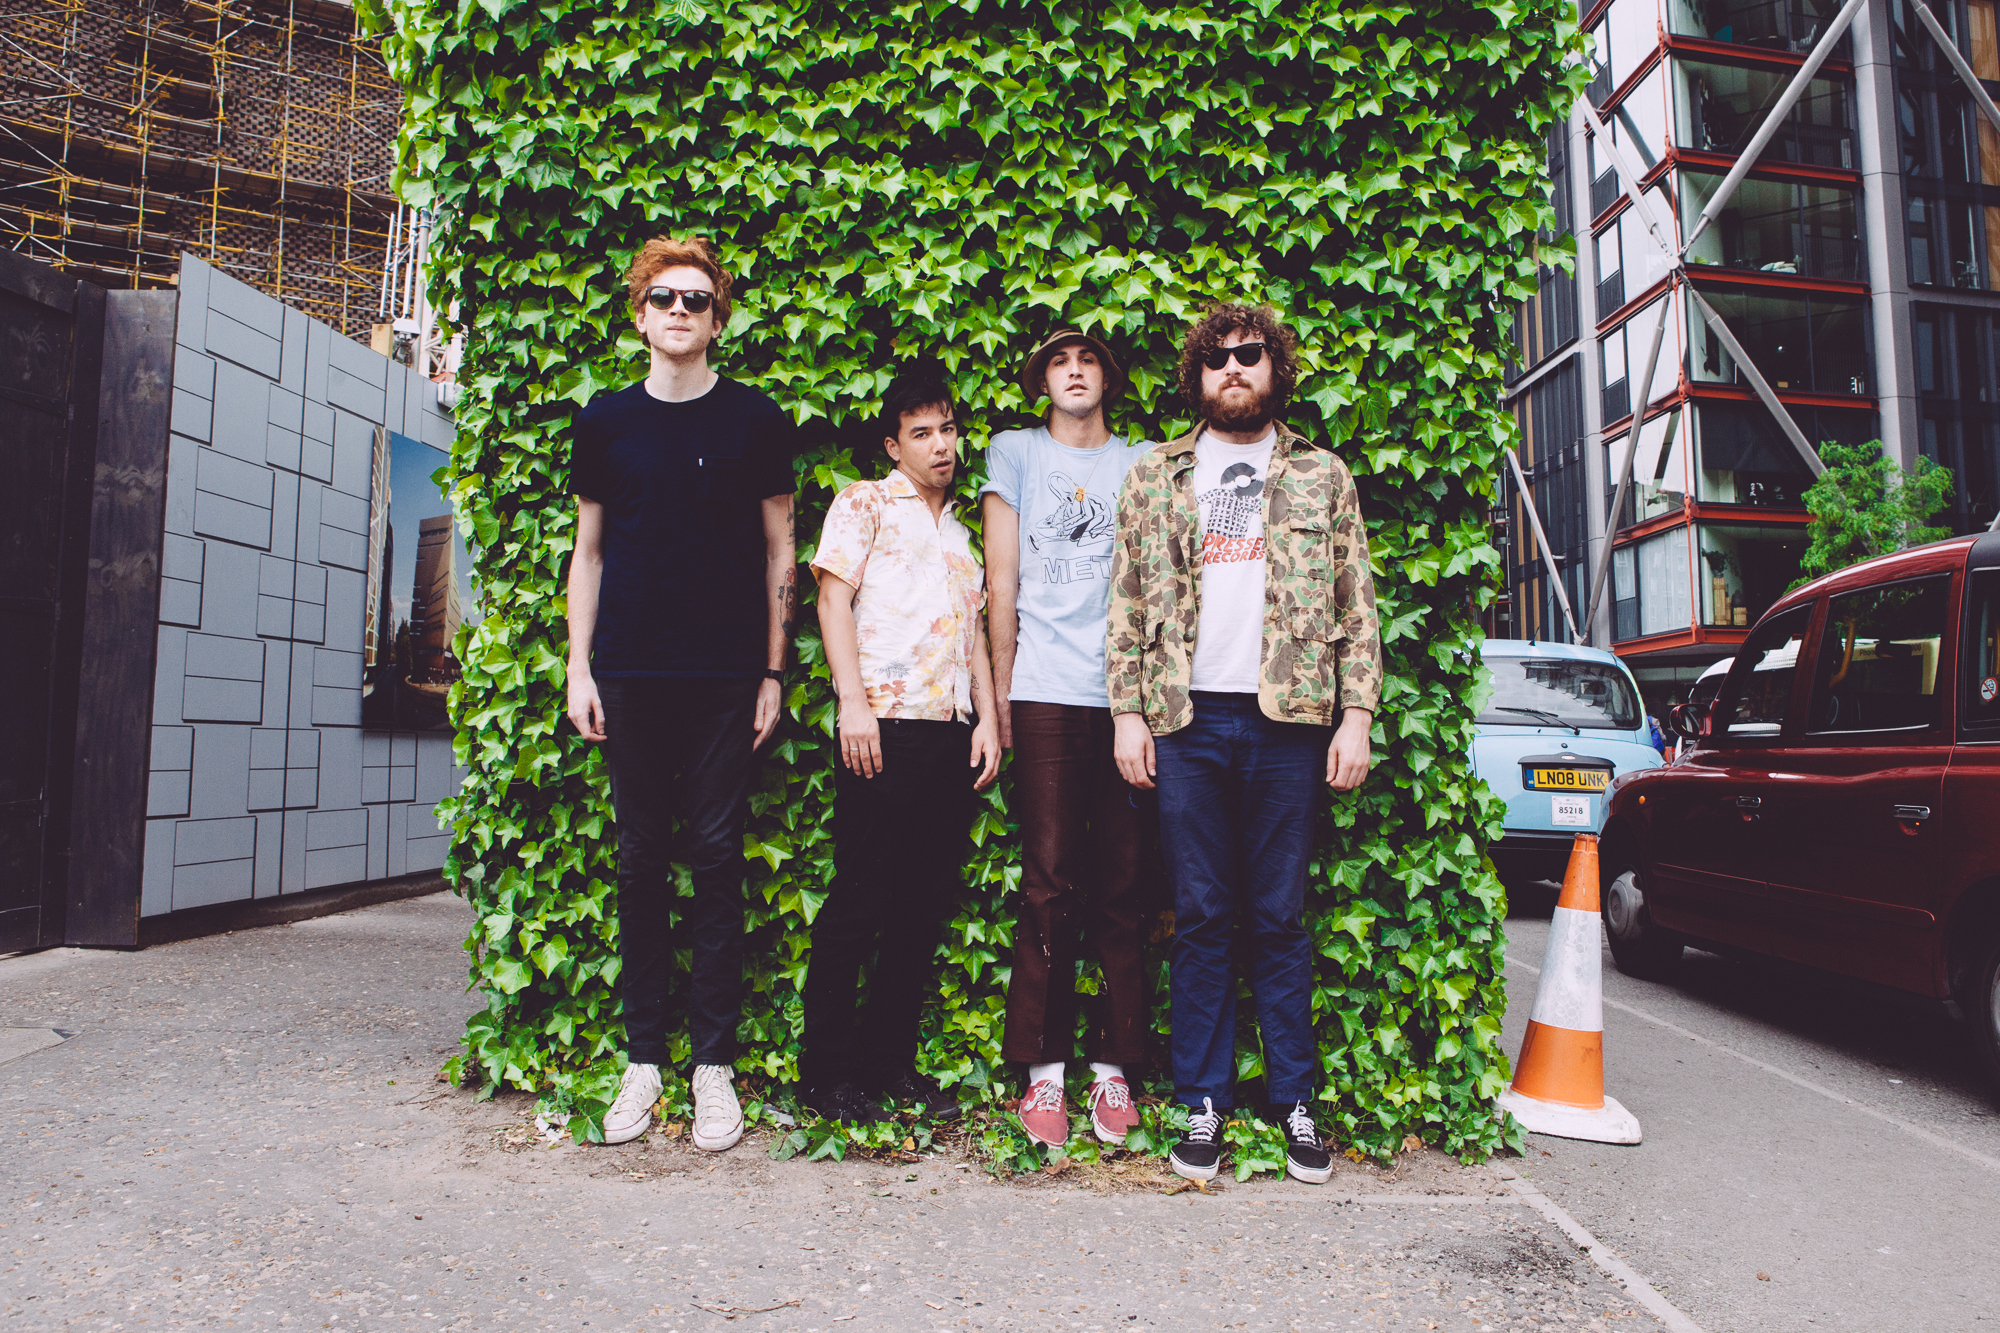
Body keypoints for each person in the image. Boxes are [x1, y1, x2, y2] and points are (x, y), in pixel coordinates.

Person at [1106, 304, 1383, 1185]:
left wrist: (1356, 715)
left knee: (1278, 917)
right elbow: (1127, 599)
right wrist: (1127, 713)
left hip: (1288, 720)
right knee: (1201, 917)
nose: (1234, 367)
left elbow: (1357, 603)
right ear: (1197, 375)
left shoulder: (1322, 473)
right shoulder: (1155, 473)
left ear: (1275, 369)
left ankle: (1294, 1101)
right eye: (1217, 357)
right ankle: (1203, 1101)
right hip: (1185, 720)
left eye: (1250, 353)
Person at [565, 236, 797, 1151]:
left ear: (716, 319)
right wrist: (579, 666)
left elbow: (781, 551)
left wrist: (773, 671)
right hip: (629, 671)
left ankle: (713, 1065)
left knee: (716, 859)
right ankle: (643, 1059)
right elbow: (588, 554)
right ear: (639, 314)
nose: (678, 311)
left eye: (696, 299)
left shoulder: (755, 420)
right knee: (638, 860)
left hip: (726, 676)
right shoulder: (605, 422)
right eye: (663, 297)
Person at [802, 368, 1003, 1124]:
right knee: (859, 901)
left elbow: (975, 633)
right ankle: (825, 1076)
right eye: (921, 433)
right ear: (894, 445)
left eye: (947, 429)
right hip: (881, 729)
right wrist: (852, 704)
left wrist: (988, 719)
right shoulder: (865, 503)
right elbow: (832, 600)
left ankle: (887, 1067)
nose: (940, 444)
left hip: (949, 734)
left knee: (920, 907)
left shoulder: (962, 534)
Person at [981, 331, 1154, 1149]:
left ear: (1108, 378)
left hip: (1125, 698)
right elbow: (1002, 581)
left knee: (1125, 882)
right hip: (1044, 689)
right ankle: (1043, 1072)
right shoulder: (1015, 451)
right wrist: (1001, 697)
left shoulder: (1142, 461)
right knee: (1049, 880)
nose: (1074, 370)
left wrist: (1145, 699)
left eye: (1087, 360)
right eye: (1059, 360)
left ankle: (1114, 1067)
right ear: (1043, 378)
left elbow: (1157, 585)